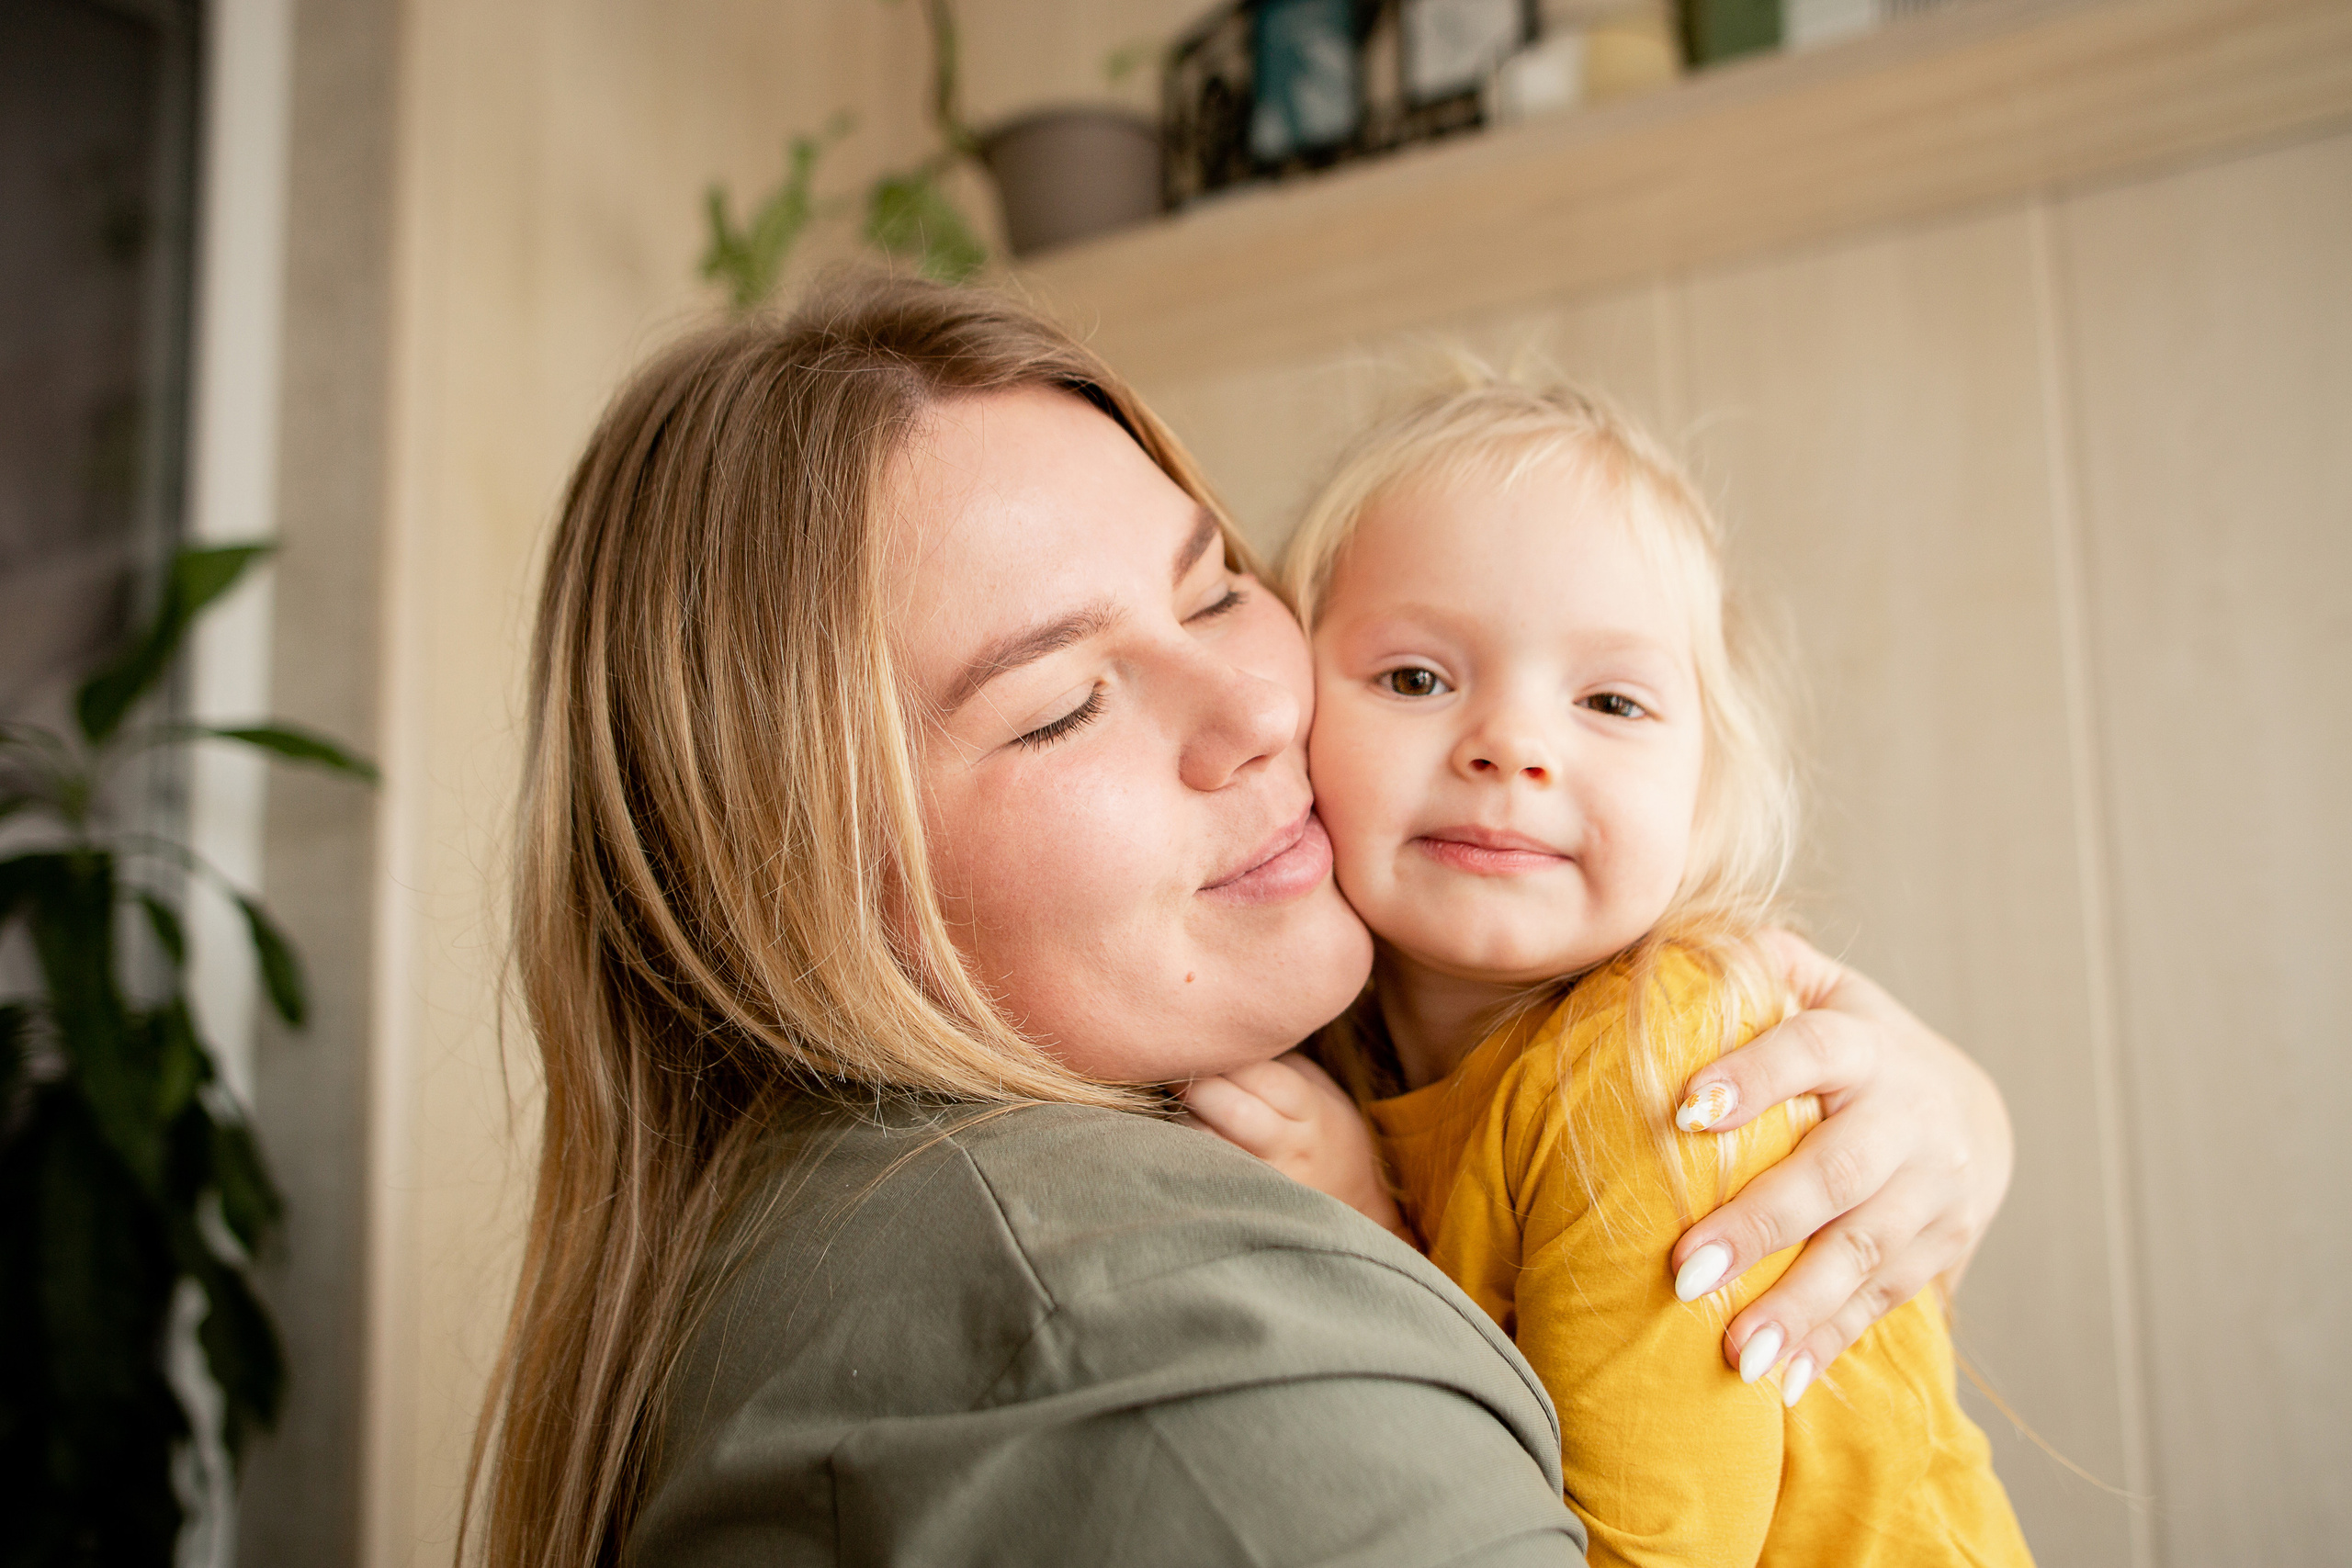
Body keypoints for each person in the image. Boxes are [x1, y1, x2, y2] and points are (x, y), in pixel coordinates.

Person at [463, 276, 2016, 1568]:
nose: (1265, 704)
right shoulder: (1162, 1345)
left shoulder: (1372, 1039)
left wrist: (1962, 1113)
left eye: (1217, 593)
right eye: (1065, 705)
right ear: (802, 897)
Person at [1182, 374, 2032, 1566]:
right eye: (1419, 678)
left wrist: (1365, 1242)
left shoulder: (1654, 1071)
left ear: (1706, 788)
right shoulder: (1346, 1042)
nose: (1513, 747)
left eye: (1611, 701)